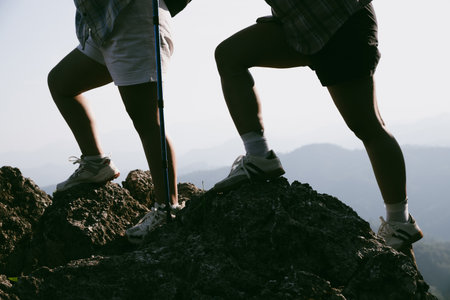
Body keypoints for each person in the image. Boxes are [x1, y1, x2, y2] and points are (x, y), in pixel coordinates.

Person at [212, 0, 423, 251]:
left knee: (367, 125)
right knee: (230, 55)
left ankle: (400, 221)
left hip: (340, 23)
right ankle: (258, 156)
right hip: (302, 27)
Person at [48, 0, 189, 244]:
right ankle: (95, 164)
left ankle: (168, 208)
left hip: (135, 19)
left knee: (146, 119)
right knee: (61, 82)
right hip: (104, 25)